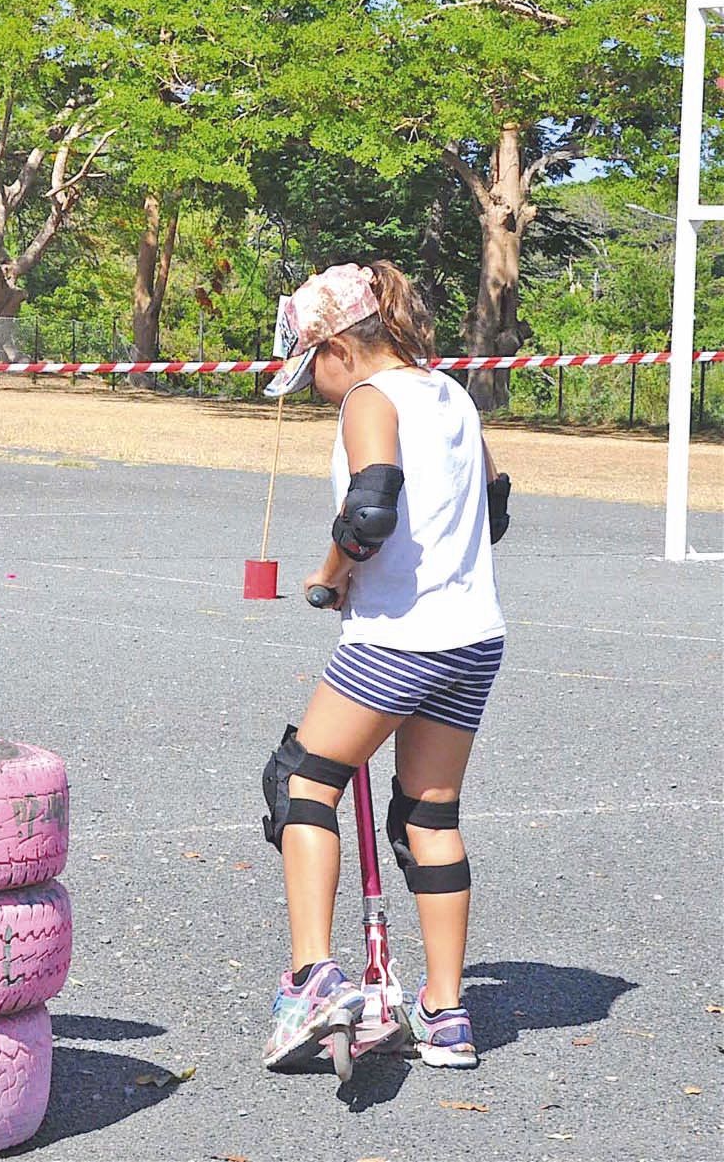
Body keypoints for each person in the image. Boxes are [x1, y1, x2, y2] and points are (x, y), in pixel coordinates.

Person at [257, 262, 511, 1073]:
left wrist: (334, 574)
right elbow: (496, 503)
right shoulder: (451, 395)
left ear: (336, 346)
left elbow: (371, 503)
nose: (318, 390)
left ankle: (313, 979)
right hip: (472, 636)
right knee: (428, 816)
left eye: (313, 371)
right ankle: (446, 1013)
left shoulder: (372, 398)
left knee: (302, 779)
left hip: (398, 639)